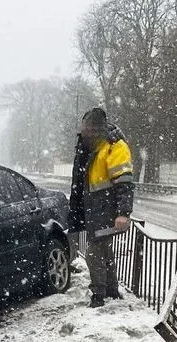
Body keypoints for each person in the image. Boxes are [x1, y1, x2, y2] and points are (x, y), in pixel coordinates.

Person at [68, 107, 134, 308]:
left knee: (93, 253)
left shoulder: (114, 147)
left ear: (98, 128)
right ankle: (112, 291)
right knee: (104, 251)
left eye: (88, 127)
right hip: (95, 211)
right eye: (84, 127)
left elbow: (124, 182)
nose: (85, 131)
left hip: (107, 211)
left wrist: (123, 213)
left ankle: (99, 294)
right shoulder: (91, 147)